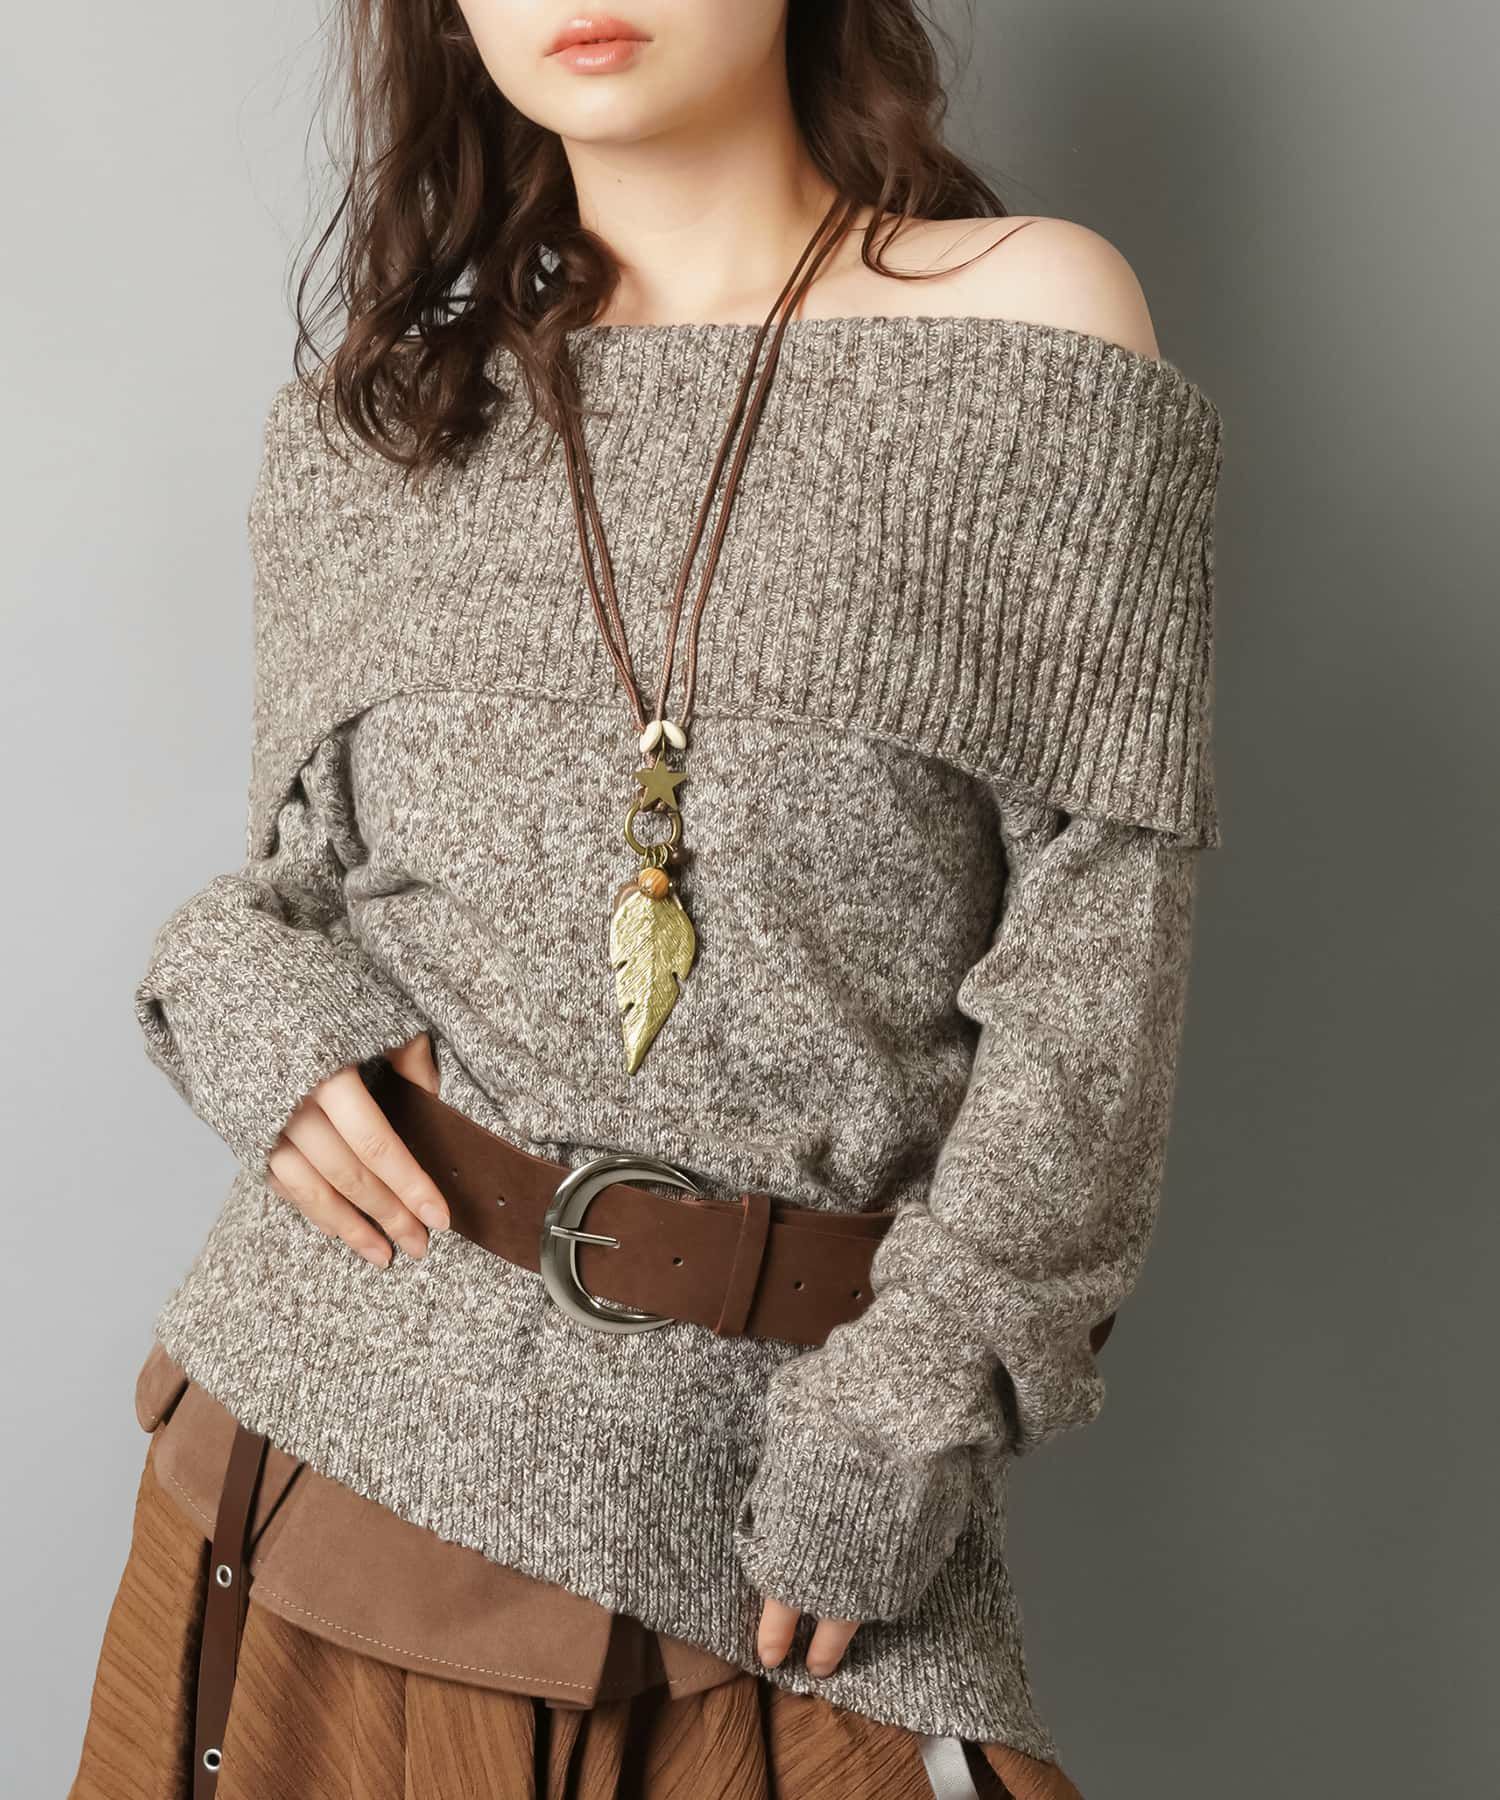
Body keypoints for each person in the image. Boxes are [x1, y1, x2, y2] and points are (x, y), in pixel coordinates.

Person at [69, 3, 1226, 1796]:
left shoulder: (1035, 331)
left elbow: (1098, 975)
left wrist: (909, 1413)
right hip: (313, 1460)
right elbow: (297, 891)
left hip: (777, 1517)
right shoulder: (384, 417)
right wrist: (234, 994)